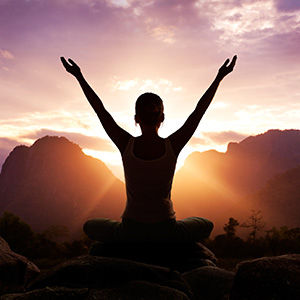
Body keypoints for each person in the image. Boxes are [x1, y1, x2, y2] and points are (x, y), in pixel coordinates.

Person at [61, 55, 237, 243]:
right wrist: (219, 77)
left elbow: (101, 111)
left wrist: (79, 76)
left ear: (136, 118)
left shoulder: (125, 143)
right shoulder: (173, 145)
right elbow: (198, 112)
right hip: (166, 230)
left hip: (130, 230)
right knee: (206, 224)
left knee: (91, 226)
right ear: (162, 118)